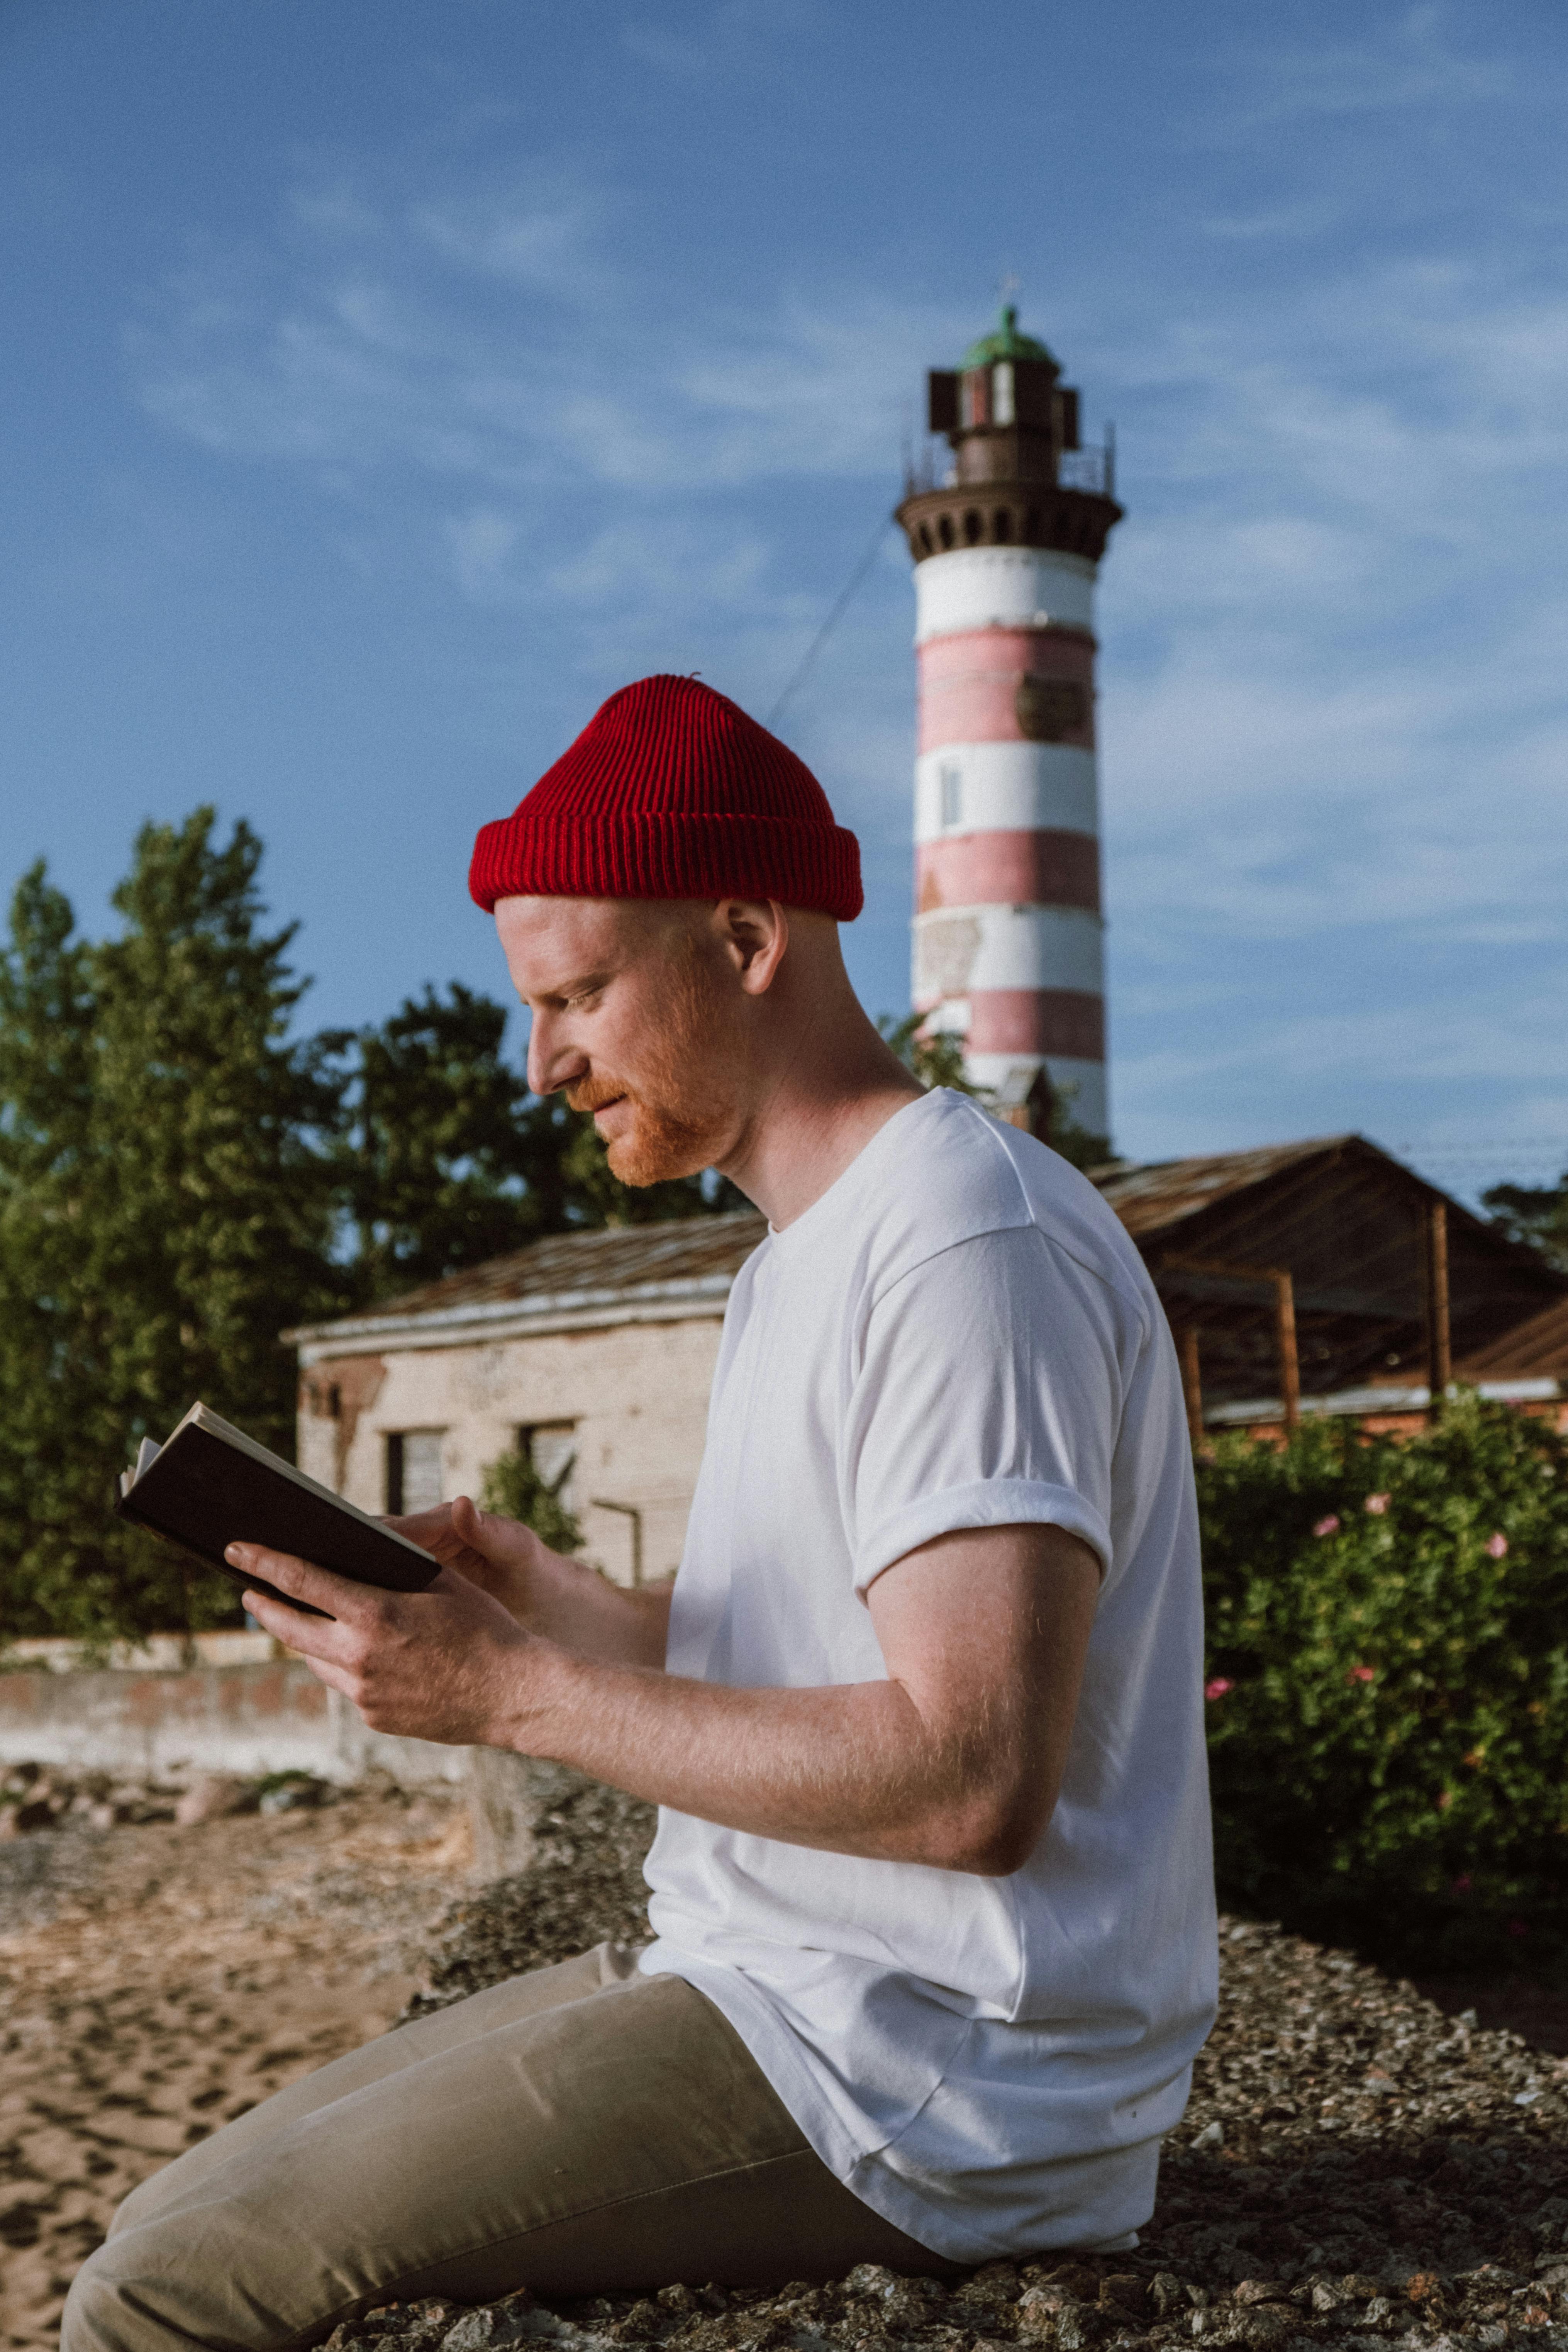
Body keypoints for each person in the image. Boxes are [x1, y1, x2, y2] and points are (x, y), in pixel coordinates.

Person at [65, 675, 1217, 2352]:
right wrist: (546, 1607)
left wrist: (514, 1696)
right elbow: (795, 1639)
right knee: (154, 2215)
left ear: (746, 934)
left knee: (165, 2293)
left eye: (579, 994)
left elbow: (973, 1777)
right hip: (767, 1977)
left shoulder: (964, 1240)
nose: (540, 1064)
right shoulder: (792, 1265)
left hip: (923, 2074)